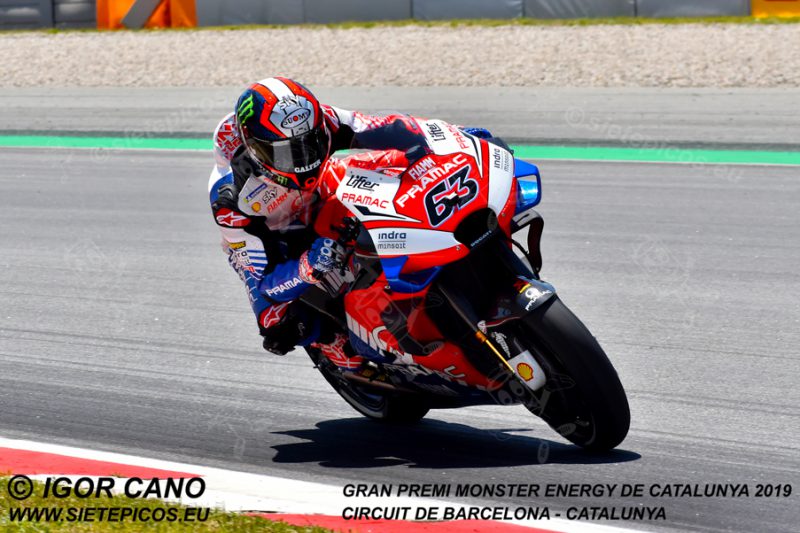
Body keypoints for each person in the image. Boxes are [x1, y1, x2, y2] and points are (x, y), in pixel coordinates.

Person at [208, 76, 493, 367]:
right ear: (257, 149)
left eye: (311, 144)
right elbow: (266, 283)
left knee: (401, 162)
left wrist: (453, 137)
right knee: (275, 322)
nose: (303, 160)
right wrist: (308, 266)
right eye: (286, 153)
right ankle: (333, 345)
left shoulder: (322, 120)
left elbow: (392, 126)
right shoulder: (231, 200)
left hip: (323, 189)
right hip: (272, 233)